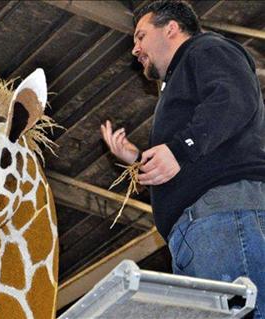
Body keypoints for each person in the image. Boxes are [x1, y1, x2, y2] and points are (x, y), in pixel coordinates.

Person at [100, 1, 265, 317]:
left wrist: (179, 149)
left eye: (140, 36)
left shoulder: (205, 48)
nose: (135, 49)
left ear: (171, 28)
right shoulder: (177, 84)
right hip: (200, 228)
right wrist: (136, 158)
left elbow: (234, 96)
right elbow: (186, 163)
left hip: (222, 216)